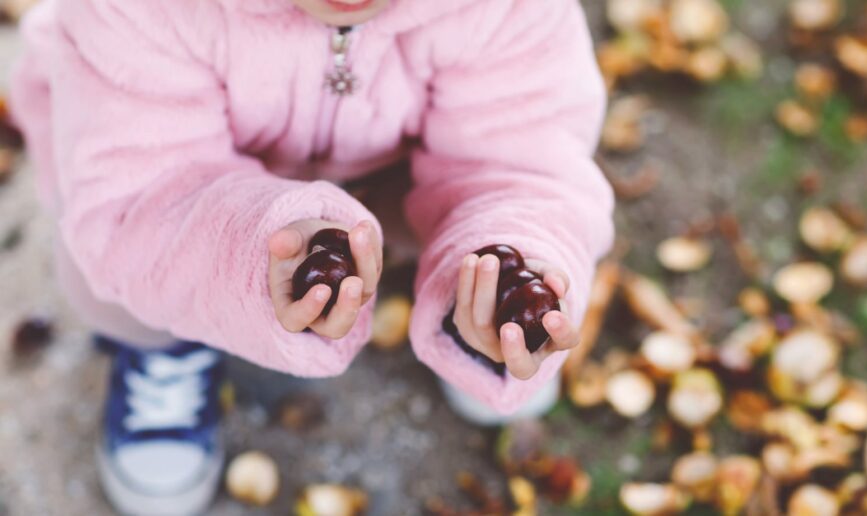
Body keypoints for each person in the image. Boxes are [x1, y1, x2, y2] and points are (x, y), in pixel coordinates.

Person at [8, 0, 614, 513]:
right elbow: (145, 190)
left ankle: (468, 313)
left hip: (388, 177)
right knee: (134, 260)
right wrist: (248, 250)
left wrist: (506, 266)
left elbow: (518, 156)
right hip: (185, 196)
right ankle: (163, 349)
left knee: (488, 218)